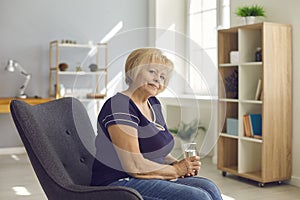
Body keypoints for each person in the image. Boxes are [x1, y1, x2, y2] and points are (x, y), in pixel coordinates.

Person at [91, 48, 223, 200]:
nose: (157, 80)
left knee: (209, 188)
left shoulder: (153, 104)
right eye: (152, 72)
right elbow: (134, 166)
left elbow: (158, 151)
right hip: (119, 182)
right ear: (134, 70)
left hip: (148, 176)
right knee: (197, 197)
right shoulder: (119, 105)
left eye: (162, 77)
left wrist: (180, 164)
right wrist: (175, 171)